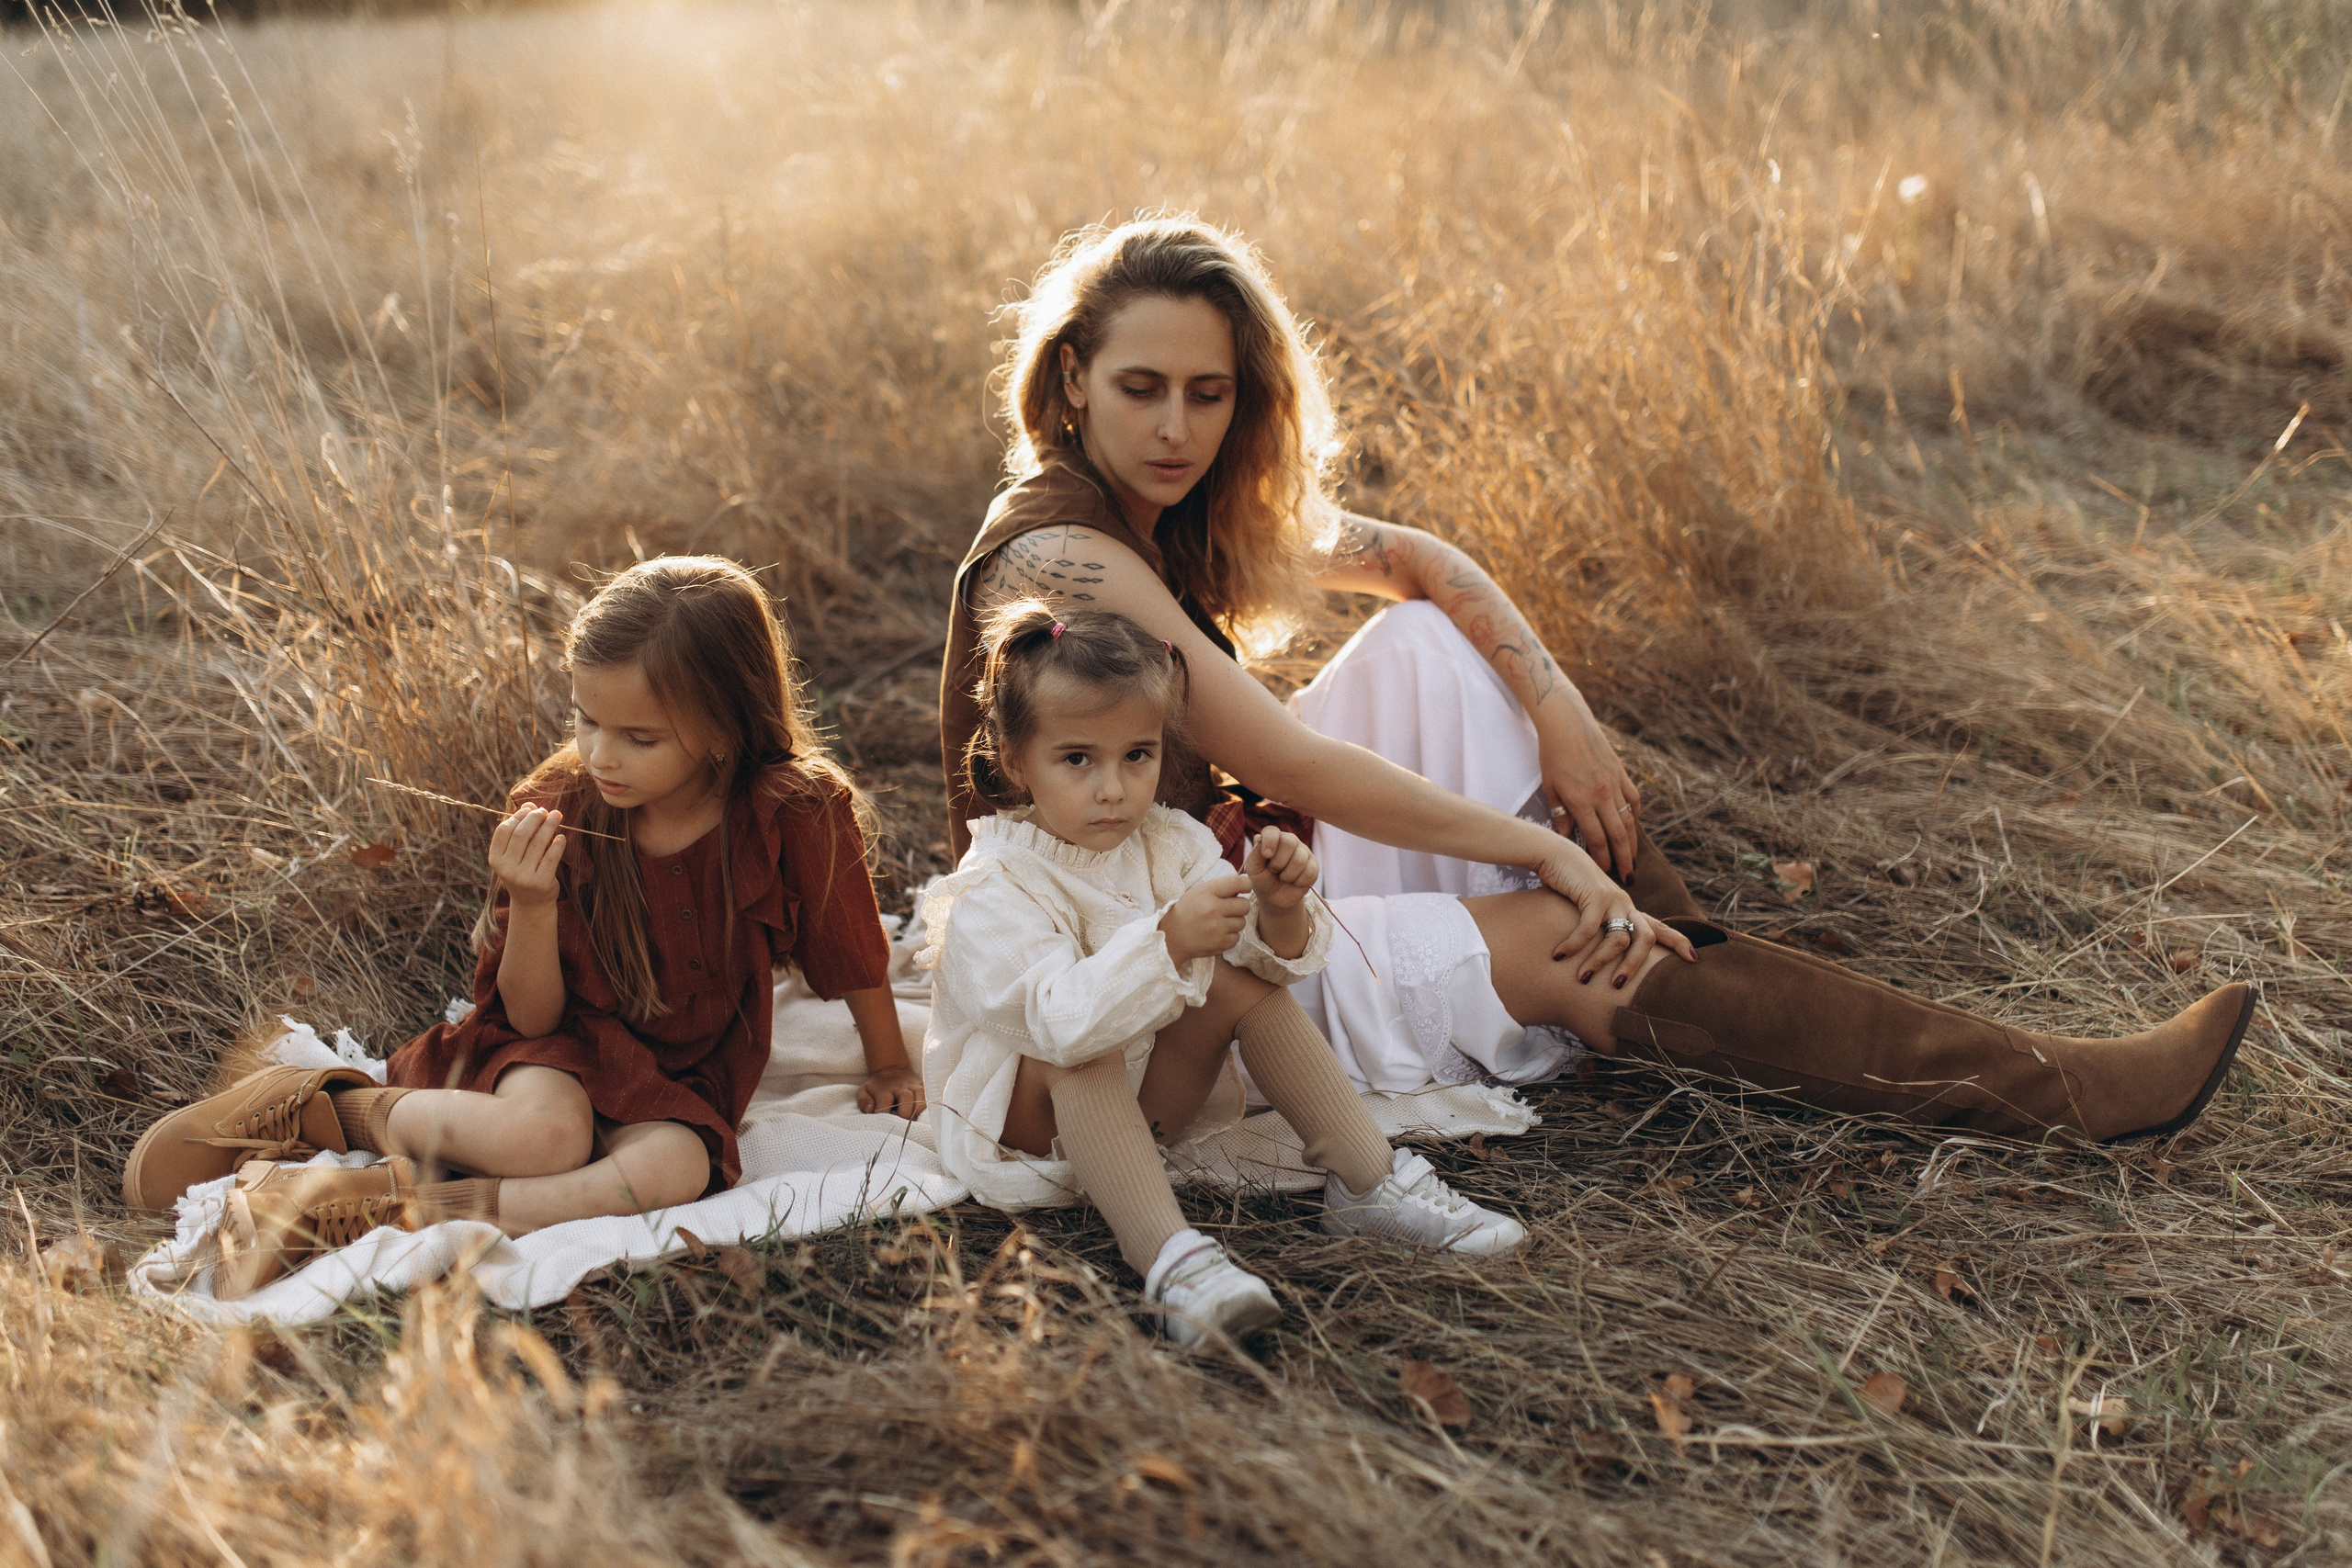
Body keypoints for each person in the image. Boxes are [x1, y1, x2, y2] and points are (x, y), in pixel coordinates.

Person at [936, 215, 2255, 1143]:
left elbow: (1424, 563)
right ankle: (2055, 1087)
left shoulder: (1168, 505)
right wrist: (1539, 847)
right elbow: (1289, 762)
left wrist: (1560, 717)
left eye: (1210, 394)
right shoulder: (1067, 550)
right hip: (1136, 964)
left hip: (1203, 866)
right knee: (1567, 943)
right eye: (1143, 388)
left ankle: (1677, 940)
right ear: (1070, 378)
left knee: (1428, 647)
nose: (1178, 427)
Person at [122, 557, 922, 1299]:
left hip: (686, 1074)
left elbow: (848, 949)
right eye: (586, 721)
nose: (601, 754)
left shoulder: (794, 813)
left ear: (725, 726)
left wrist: (887, 1060)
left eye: (639, 737)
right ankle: (322, 1106)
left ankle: (389, 1206)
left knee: (676, 1169)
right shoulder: (559, 808)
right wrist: (531, 902)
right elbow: (532, 1016)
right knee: (545, 1139)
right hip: (560, 1045)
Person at [921, 604, 1526, 1346]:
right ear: (1016, 760)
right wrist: (1169, 942)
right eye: (1078, 759)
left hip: (1145, 1118)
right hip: (1037, 1132)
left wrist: (1277, 910)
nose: (1113, 788)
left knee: (1241, 984)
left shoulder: (1168, 841)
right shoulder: (996, 884)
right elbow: (1057, 1020)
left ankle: (1369, 1184)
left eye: (1135, 755)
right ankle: (1176, 1263)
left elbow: (1261, 965)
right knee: (1080, 1051)